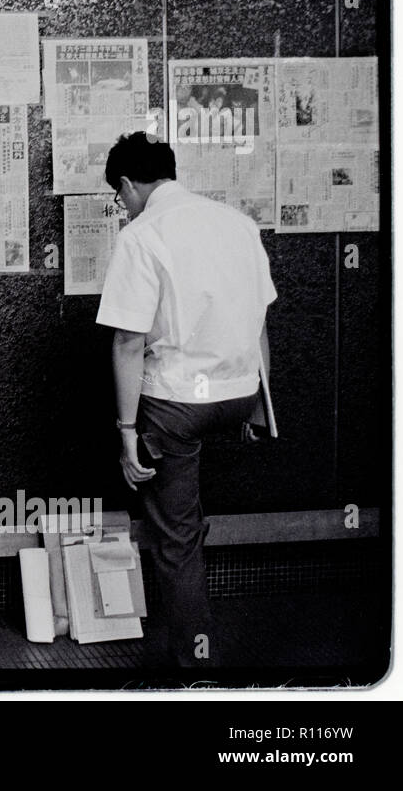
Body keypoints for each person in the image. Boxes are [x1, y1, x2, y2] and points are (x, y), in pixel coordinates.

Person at [96, 131, 276, 667]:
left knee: (177, 539)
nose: (122, 207)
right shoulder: (238, 225)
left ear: (128, 185)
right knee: (189, 518)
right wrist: (262, 404)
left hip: (178, 405)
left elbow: (128, 340)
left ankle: (194, 666)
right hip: (239, 394)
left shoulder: (143, 235)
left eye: (118, 196)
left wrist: (127, 434)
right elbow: (259, 320)